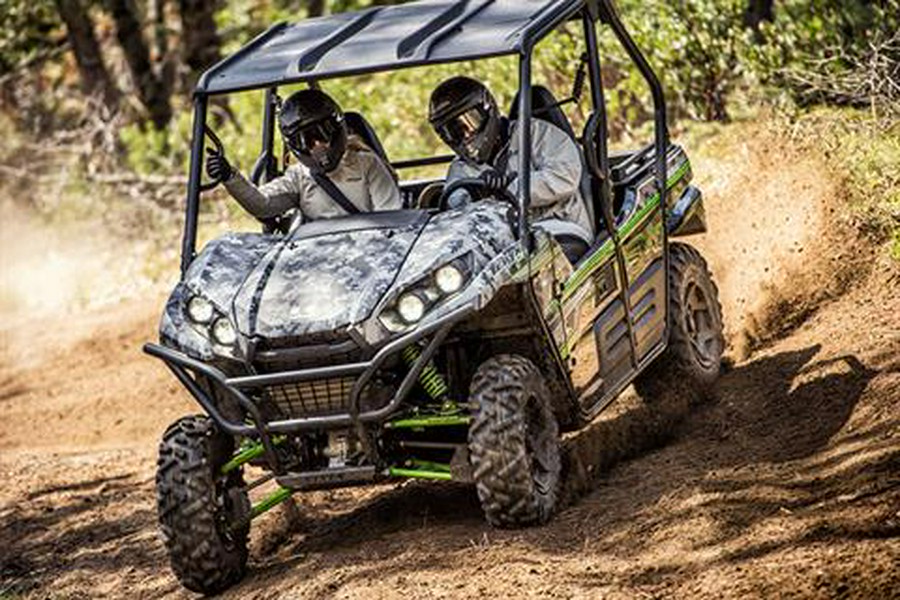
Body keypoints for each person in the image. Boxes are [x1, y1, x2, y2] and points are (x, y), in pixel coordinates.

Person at [428, 76, 593, 261]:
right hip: (505, 245)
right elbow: (456, 209)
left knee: (530, 263)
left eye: (470, 123)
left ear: (487, 110)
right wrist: (478, 196)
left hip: (560, 228)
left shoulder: (536, 133)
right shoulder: (460, 169)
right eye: (454, 132)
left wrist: (511, 189)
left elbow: (565, 177)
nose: (465, 135)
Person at [206, 89, 401, 229]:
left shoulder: (367, 164)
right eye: (306, 140)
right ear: (294, 145)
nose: (317, 145)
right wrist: (230, 176)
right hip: (319, 265)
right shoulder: (298, 178)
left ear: (337, 129)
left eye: (322, 133)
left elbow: (392, 221)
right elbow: (262, 204)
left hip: (371, 255)